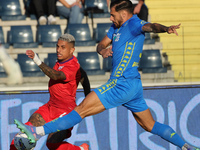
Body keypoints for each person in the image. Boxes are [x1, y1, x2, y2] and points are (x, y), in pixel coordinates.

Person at [14, 0, 199, 150]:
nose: (110, 17)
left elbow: (151, 26)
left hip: (120, 83)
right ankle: (185, 145)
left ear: (123, 14)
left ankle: (36, 132)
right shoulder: (115, 28)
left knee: (80, 110)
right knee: (150, 125)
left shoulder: (134, 23)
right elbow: (100, 44)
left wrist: (166, 29)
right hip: (133, 87)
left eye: (112, 14)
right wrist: (102, 50)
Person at [11, 33, 90, 150]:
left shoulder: (72, 65)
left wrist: (37, 60)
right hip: (50, 107)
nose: (58, 50)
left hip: (65, 112)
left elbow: (55, 75)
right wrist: (88, 95)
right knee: (23, 135)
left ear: (72, 50)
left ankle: (81, 149)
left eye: (63, 47)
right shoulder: (63, 61)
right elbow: (83, 75)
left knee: (52, 144)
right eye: (57, 46)